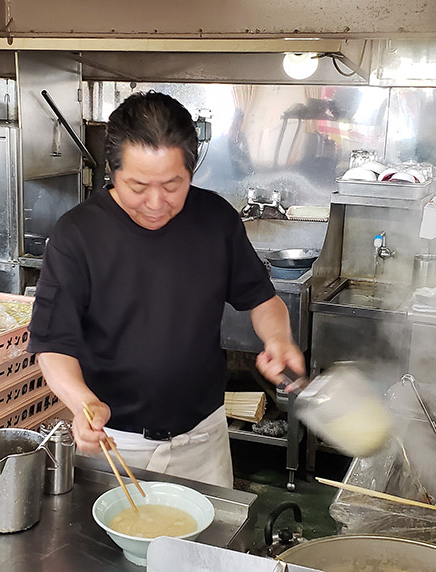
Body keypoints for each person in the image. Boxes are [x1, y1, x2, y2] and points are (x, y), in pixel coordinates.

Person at [28, 91, 304, 488]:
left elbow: (262, 298)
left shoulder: (215, 219)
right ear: (112, 170)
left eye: (173, 185)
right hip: (115, 443)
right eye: (138, 186)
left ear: (192, 170)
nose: (156, 203)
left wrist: (278, 339)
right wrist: (83, 403)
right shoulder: (77, 236)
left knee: (210, 548)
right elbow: (53, 344)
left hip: (204, 438)